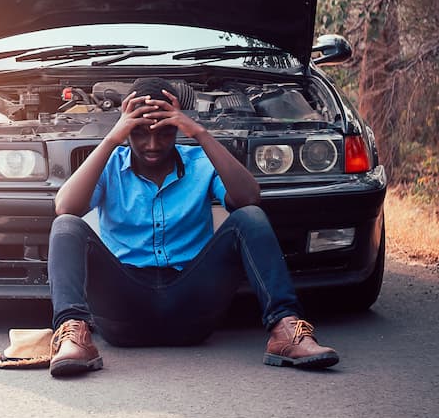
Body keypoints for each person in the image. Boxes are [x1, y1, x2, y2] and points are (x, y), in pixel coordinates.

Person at [46, 76, 339, 377]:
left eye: (164, 133)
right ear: (127, 129)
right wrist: (111, 139)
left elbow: (248, 197)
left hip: (192, 308)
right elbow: (65, 207)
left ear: (177, 127)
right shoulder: (110, 163)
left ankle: (286, 332)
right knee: (66, 226)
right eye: (140, 133)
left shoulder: (200, 161)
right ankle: (72, 335)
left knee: (249, 217)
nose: (152, 145)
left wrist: (199, 132)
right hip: (124, 314)